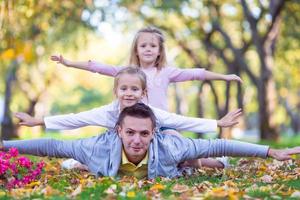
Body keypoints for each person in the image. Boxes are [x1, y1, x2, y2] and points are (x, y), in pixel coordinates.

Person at [51, 26, 240, 168]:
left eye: (152, 46)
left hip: (163, 125)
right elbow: (98, 67)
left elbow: (196, 73)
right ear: (136, 50)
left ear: (159, 51)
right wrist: (69, 63)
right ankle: (77, 163)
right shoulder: (127, 72)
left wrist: (224, 77)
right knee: (116, 155)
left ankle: (215, 164)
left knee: (184, 147)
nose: (148, 49)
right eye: (143, 45)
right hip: (134, 126)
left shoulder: (166, 72)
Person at [15, 67, 241, 170]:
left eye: (135, 89)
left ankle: (217, 162)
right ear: (116, 91)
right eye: (124, 88)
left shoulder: (151, 112)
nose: (129, 93)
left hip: (153, 149)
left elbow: (180, 120)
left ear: (143, 93)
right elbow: (76, 119)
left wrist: (217, 124)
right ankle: (80, 164)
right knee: (100, 160)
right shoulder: (107, 112)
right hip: (118, 150)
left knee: (184, 151)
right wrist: (38, 121)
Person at [3, 103, 300, 179]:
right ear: (118, 130)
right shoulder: (94, 145)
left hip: (173, 163)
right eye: (130, 132)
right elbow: (52, 146)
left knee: (197, 159)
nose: (136, 140)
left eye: (144, 133)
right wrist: (4, 147)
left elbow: (219, 143)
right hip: (102, 161)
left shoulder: (169, 144)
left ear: (153, 132)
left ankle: (208, 166)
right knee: (77, 163)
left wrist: (270, 151)